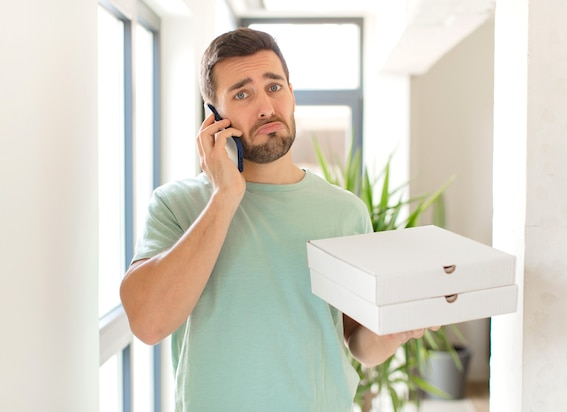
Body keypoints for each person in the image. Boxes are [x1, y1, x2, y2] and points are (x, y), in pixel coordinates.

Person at [120, 27, 437, 411]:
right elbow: (149, 323)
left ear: (291, 94)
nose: (266, 107)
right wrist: (225, 196)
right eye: (242, 94)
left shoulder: (344, 212)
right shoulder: (176, 206)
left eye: (274, 87)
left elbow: (358, 344)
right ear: (214, 118)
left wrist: (397, 327)